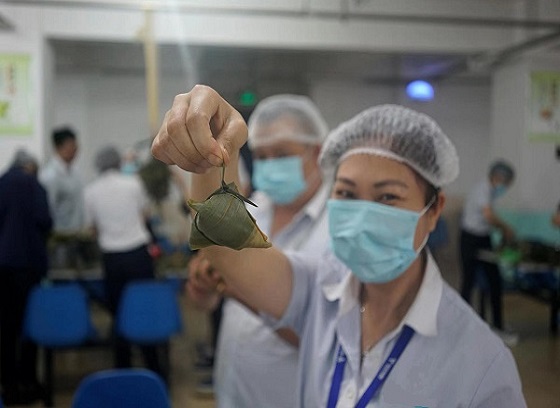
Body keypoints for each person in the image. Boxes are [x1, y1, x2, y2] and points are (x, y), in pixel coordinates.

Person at [152, 85, 526, 407]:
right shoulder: (320, 293)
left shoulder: (480, 364)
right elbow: (226, 244)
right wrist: (210, 152)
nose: (361, 215)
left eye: (387, 198)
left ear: (433, 211)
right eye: (346, 193)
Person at [186, 94, 332, 407]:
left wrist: (237, 285)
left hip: (286, 395)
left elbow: (325, 337)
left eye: (281, 154)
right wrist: (206, 289)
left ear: (317, 152)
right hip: (232, 389)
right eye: (262, 156)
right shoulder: (252, 210)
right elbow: (211, 302)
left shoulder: (336, 230)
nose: (269, 165)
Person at [83, 146, 166, 381]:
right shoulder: (134, 184)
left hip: (113, 259)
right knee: (144, 311)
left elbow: (92, 229)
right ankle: (154, 371)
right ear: (118, 162)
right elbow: (146, 215)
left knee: (119, 315)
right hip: (139, 256)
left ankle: (123, 371)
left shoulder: (90, 191)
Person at [0, 150, 52, 405]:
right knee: (30, 327)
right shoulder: (35, 184)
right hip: (29, 266)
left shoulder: (1, 183)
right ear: (30, 166)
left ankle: (8, 387)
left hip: (3, 265)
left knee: (6, 329)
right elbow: (45, 220)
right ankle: (29, 383)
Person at [460, 160, 518, 345]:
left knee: (494, 281)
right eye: (506, 182)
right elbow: (488, 215)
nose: (506, 187)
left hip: (482, 238)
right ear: (499, 177)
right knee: (469, 283)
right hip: (471, 239)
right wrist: (505, 228)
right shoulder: (483, 189)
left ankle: (498, 325)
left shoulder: (490, 190)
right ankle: (461, 327)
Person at [39, 127, 85, 269]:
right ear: (60, 147)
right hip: (59, 239)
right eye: (72, 145)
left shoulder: (75, 171)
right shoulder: (50, 176)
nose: (76, 149)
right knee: (61, 275)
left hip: (76, 236)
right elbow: (48, 208)